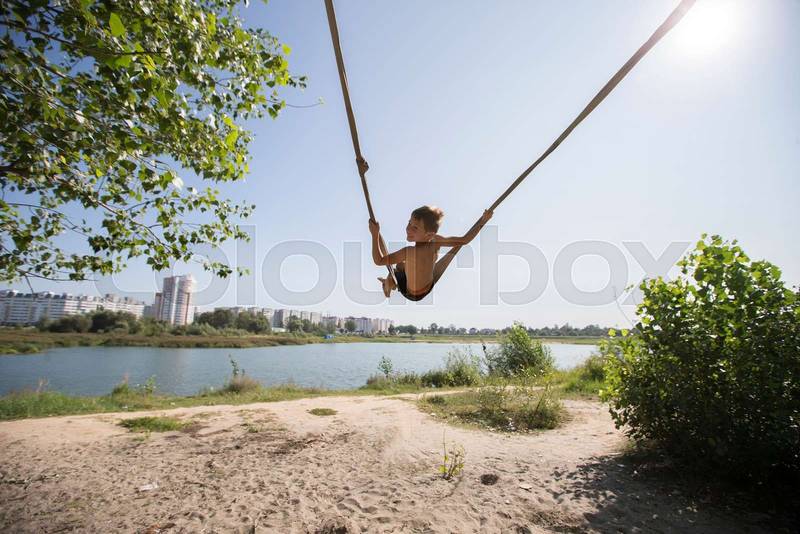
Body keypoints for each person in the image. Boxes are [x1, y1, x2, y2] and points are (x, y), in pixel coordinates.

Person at [368, 205, 493, 300]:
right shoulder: (436, 241)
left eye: (415, 227)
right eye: (409, 223)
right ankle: (392, 283)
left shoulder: (408, 252)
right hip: (428, 286)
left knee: (398, 268)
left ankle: (388, 284)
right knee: (401, 266)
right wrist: (483, 221)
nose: (408, 228)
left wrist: (375, 235)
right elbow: (465, 240)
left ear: (429, 235)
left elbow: (379, 260)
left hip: (411, 293)